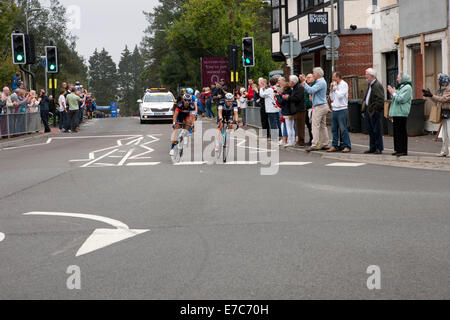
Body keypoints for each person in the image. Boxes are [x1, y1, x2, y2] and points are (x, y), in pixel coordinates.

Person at [302, 68, 330, 152]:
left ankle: (314, 144)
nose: (313, 75)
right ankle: (325, 143)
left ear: (318, 74)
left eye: (314, 73)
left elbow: (311, 90)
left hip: (319, 107)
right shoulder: (321, 82)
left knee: (315, 126)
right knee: (322, 126)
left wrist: (304, 82)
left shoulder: (320, 82)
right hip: (323, 105)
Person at [423, 74, 450, 157]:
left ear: (443, 80)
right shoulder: (442, 89)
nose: (438, 81)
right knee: (445, 133)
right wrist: (430, 96)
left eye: (439, 79)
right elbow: (437, 100)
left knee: (449, 133)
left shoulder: (448, 89)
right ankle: (444, 151)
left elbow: (444, 99)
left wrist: (432, 95)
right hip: (444, 112)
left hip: (449, 112)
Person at [387, 73, 412, 157]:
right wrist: (394, 92)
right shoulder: (402, 87)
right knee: (396, 132)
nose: (397, 79)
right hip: (396, 113)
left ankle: (403, 150)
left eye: (398, 78)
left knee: (401, 132)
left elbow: (400, 99)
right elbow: (397, 96)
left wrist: (393, 93)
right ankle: (398, 149)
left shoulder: (408, 88)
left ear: (403, 78)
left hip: (401, 113)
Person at [361, 68, 385, 155]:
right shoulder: (370, 85)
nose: (365, 76)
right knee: (371, 130)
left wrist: (375, 109)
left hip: (374, 111)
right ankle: (372, 147)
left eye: (366, 74)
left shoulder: (377, 85)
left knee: (376, 130)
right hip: (369, 109)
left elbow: (380, 99)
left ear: (371, 75)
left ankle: (379, 147)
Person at [328, 72, 351, 153]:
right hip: (335, 109)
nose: (333, 79)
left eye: (334, 77)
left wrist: (335, 87)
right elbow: (332, 98)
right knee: (334, 129)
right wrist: (331, 90)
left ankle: (347, 146)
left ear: (338, 77)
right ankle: (334, 145)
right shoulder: (335, 86)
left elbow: (340, 96)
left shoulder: (344, 84)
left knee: (343, 129)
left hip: (342, 109)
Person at [282, 75, 305, 147]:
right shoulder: (295, 88)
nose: (289, 82)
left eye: (290, 81)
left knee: (300, 126)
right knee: (297, 127)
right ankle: (299, 141)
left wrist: (288, 97)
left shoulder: (299, 88)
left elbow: (297, 98)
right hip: (296, 110)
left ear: (293, 82)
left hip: (299, 110)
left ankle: (301, 142)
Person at [305, 74, 315, 146]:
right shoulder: (306, 86)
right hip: (306, 108)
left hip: (312, 108)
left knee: (313, 125)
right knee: (309, 125)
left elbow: (310, 98)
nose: (307, 78)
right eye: (307, 77)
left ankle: (314, 140)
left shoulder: (314, 86)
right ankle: (311, 139)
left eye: (309, 77)